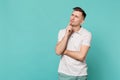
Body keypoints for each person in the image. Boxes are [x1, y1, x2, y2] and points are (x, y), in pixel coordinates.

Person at [55, 7, 92, 80]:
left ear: (82, 21)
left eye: (76, 16)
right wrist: (66, 35)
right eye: (72, 15)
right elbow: (58, 51)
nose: (72, 18)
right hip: (64, 73)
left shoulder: (87, 34)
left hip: (81, 74)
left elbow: (81, 56)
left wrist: (65, 51)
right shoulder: (62, 32)